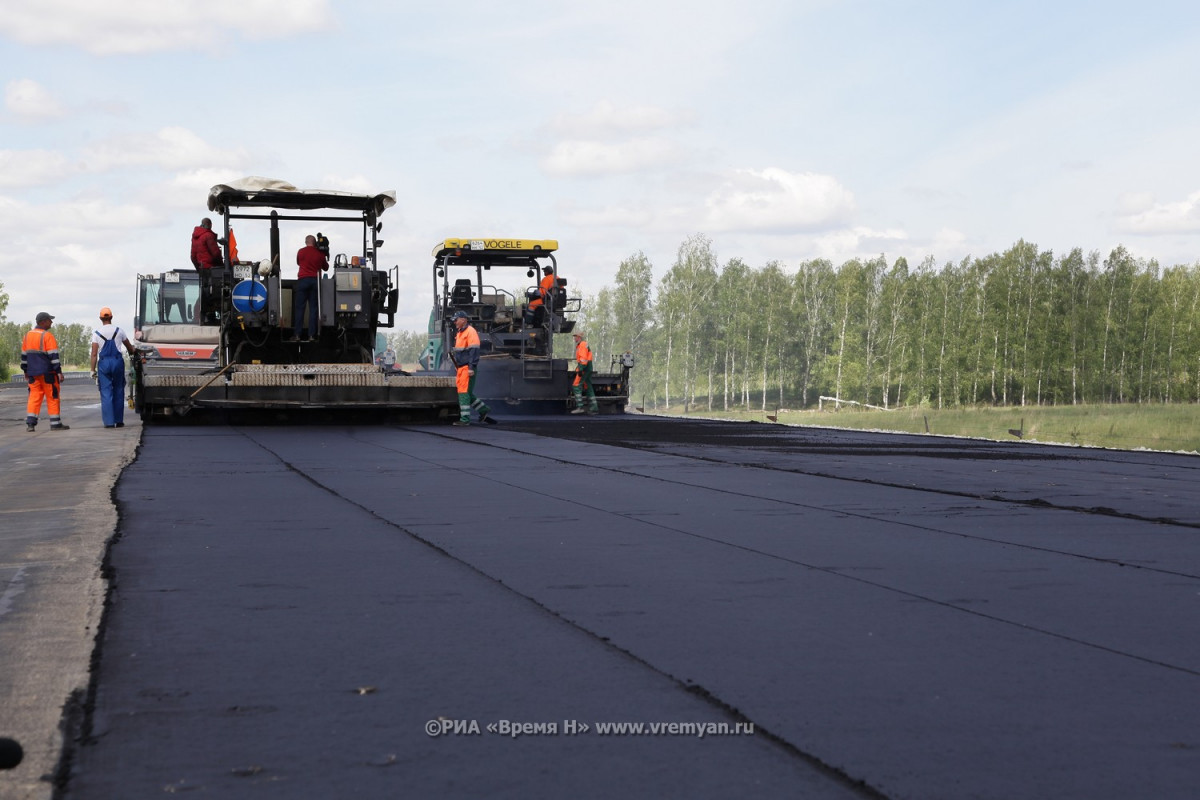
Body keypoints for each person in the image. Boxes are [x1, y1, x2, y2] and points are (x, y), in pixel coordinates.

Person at [89, 307, 138, 428]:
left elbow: (94, 354)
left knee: (106, 392)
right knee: (118, 390)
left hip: (104, 364)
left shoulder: (96, 334)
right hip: (117, 363)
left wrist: (92, 370)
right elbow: (130, 348)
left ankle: (109, 423)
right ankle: (119, 421)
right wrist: (135, 351)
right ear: (111, 317)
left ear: (101, 318)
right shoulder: (119, 331)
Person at [20, 312, 69, 431]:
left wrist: (26, 371)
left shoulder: (27, 336)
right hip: (48, 374)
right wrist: (59, 372)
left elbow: (24, 356)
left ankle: (30, 424)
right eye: (49, 320)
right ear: (43, 322)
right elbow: (54, 357)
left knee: (34, 397)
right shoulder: (47, 336)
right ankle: (55, 423)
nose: (51, 322)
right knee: (53, 396)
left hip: (33, 374)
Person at [449, 311, 493, 426]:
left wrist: (471, 367)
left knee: (463, 393)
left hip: (467, 368)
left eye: (456, 319)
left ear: (463, 320)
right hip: (461, 368)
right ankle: (484, 410)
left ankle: (464, 420)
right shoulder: (460, 332)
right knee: (466, 392)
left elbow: (474, 351)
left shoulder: (470, 332)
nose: (454, 322)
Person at [291, 234, 329, 342]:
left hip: (302, 281)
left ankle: (297, 335)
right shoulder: (320, 254)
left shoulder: (301, 252)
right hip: (314, 281)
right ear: (315, 242)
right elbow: (326, 268)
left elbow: (299, 262)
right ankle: (311, 335)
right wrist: (324, 255)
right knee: (313, 309)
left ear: (306, 242)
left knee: (300, 309)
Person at [570, 331, 599, 415]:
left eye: (575, 337)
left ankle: (580, 407)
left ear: (579, 337)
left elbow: (583, 359)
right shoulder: (582, 345)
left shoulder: (582, 345)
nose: (574, 338)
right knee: (588, 386)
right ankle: (594, 408)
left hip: (584, 368)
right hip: (588, 367)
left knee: (576, 385)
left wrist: (580, 369)